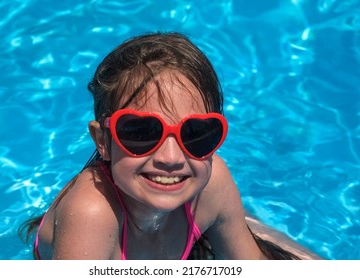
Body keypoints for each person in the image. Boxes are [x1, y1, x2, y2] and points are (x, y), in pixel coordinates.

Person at [19, 31, 320, 260]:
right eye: (141, 131)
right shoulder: (92, 212)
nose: (171, 157)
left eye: (196, 133)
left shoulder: (211, 183)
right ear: (103, 141)